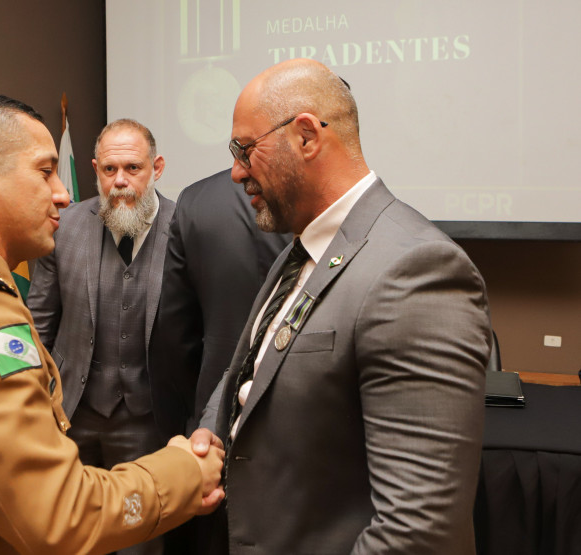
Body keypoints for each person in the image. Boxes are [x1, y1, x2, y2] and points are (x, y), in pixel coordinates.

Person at [0, 93, 224, 554]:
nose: (63, 192)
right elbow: (61, 515)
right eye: (44, 170)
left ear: (156, 168)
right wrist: (183, 473)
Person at [193, 59, 492, 554]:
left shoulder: (415, 270)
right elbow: (251, 366)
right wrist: (210, 433)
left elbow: (419, 532)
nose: (235, 171)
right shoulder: (302, 249)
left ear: (306, 136)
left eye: (244, 149)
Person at [27, 118, 175, 555]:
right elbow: (39, 320)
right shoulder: (65, 225)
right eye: (110, 170)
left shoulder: (185, 227)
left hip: (147, 419)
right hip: (74, 413)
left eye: (133, 168)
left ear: (157, 167)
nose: (121, 182)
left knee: (138, 540)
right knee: (71, 535)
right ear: (94, 168)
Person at [149, 169, 289, 440]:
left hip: (214, 414)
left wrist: (193, 406)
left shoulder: (194, 201)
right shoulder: (315, 197)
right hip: (298, 403)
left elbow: (176, 331)